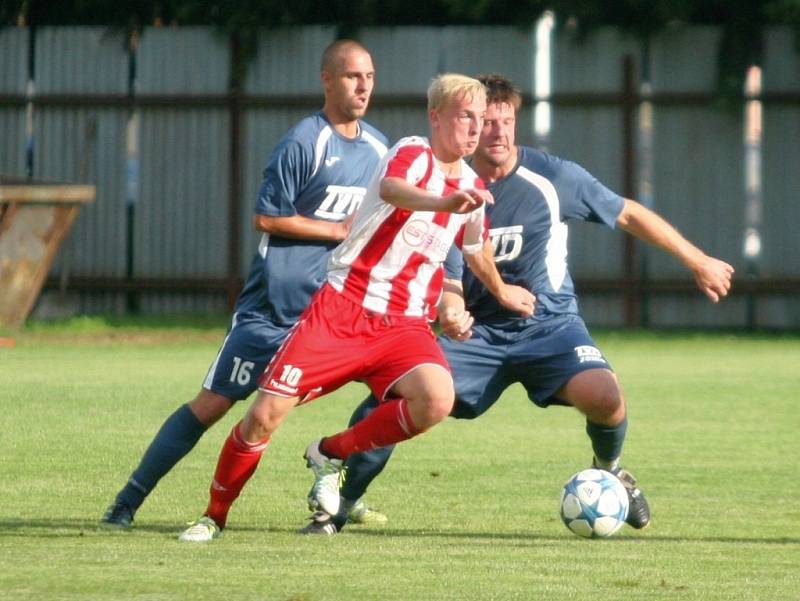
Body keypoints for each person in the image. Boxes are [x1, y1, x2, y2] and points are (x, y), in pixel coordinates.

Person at [301, 73, 735, 535]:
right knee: (397, 397)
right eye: (487, 122)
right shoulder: (446, 184)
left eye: (507, 122)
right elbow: (446, 269)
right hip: (481, 333)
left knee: (606, 399)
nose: (498, 133)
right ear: (468, 125)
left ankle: (610, 469)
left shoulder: (552, 177)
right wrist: (451, 306)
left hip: (550, 327)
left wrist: (697, 260)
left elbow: (626, 211)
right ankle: (338, 502)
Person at [177, 73, 537, 542]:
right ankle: (213, 516)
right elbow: (392, 190)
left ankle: (330, 452)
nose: (475, 128)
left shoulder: (471, 187)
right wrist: (443, 201)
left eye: (481, 119)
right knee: (263, 415)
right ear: (435, 117)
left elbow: (474, 250)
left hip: (404, 325)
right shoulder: (412, 152)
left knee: (436, 399)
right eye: (465, 116)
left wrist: (500, 292)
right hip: (344, 308)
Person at [100, 39, 390, 529]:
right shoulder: (304, 142)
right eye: (351, 76)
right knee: (214, 404)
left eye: (369, 77)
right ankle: (127, 501)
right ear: (326, 79)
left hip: (338, 312)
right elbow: (266, 217)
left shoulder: (381, 150)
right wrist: (336, 230)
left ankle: (346, 491)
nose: (362, 86)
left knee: (399, 396)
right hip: (276, 310)